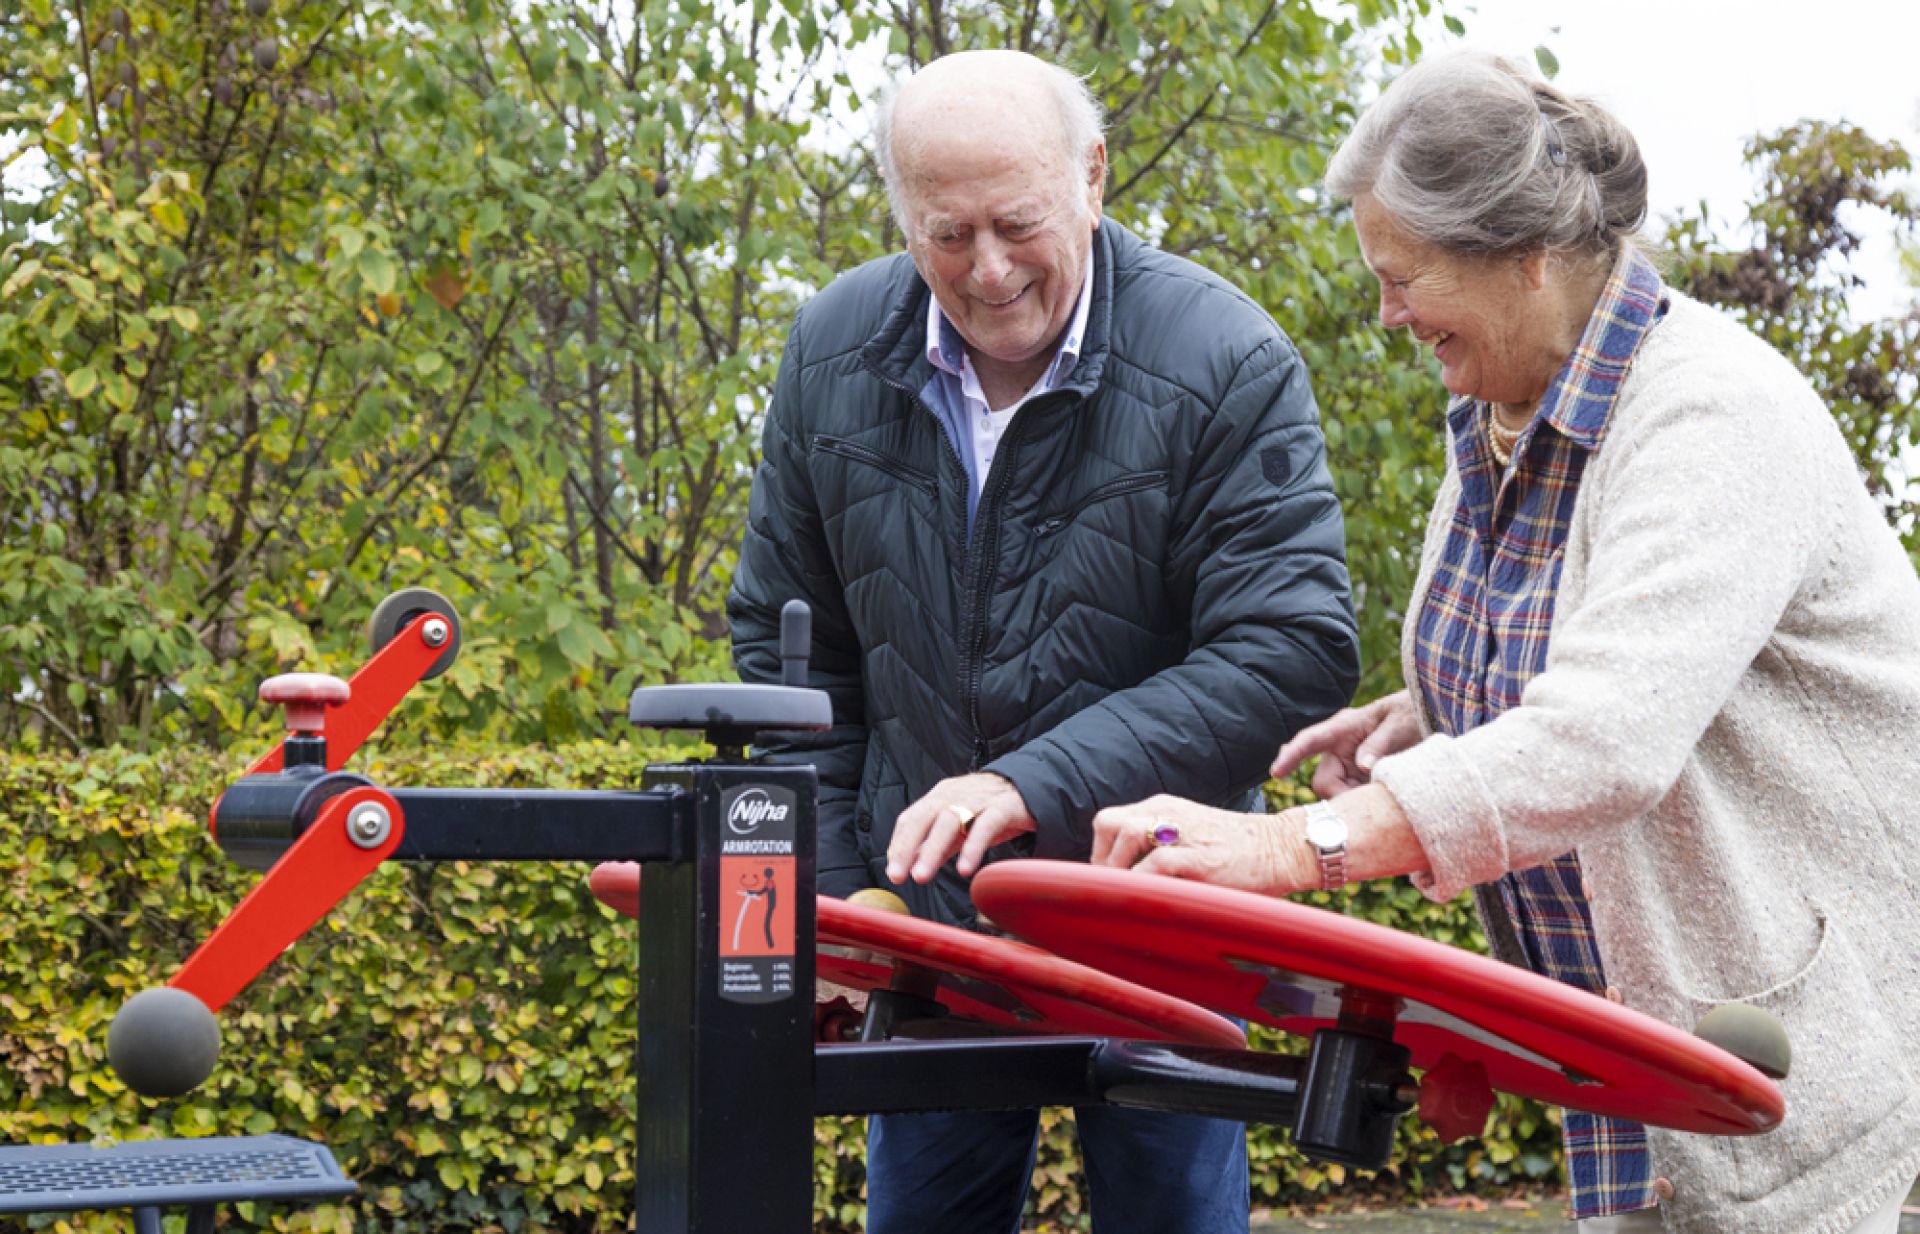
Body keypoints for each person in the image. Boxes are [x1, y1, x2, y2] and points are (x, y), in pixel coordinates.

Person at [1090, 50, 1920, 1234]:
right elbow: (1588, 632)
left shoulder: (1714, 417)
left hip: (1769, 1038)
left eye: (1404, 275)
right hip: (1623, 1053)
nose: (1385, 311)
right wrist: (1430, 708)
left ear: (1525, 256)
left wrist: (1292, 850)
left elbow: (1607, 735)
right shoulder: (1501, 413)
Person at [727, 48, 1360, 1234]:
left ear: (1093, 178)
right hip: (927, 930)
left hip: (1161, 918)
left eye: (1016, 221)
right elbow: (787, 653)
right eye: (945, 232)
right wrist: (834, 910)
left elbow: (1291, 646)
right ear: (901, 213)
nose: (988, 267)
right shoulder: (829, 351)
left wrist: (1029, 783)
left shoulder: (1228, 359)